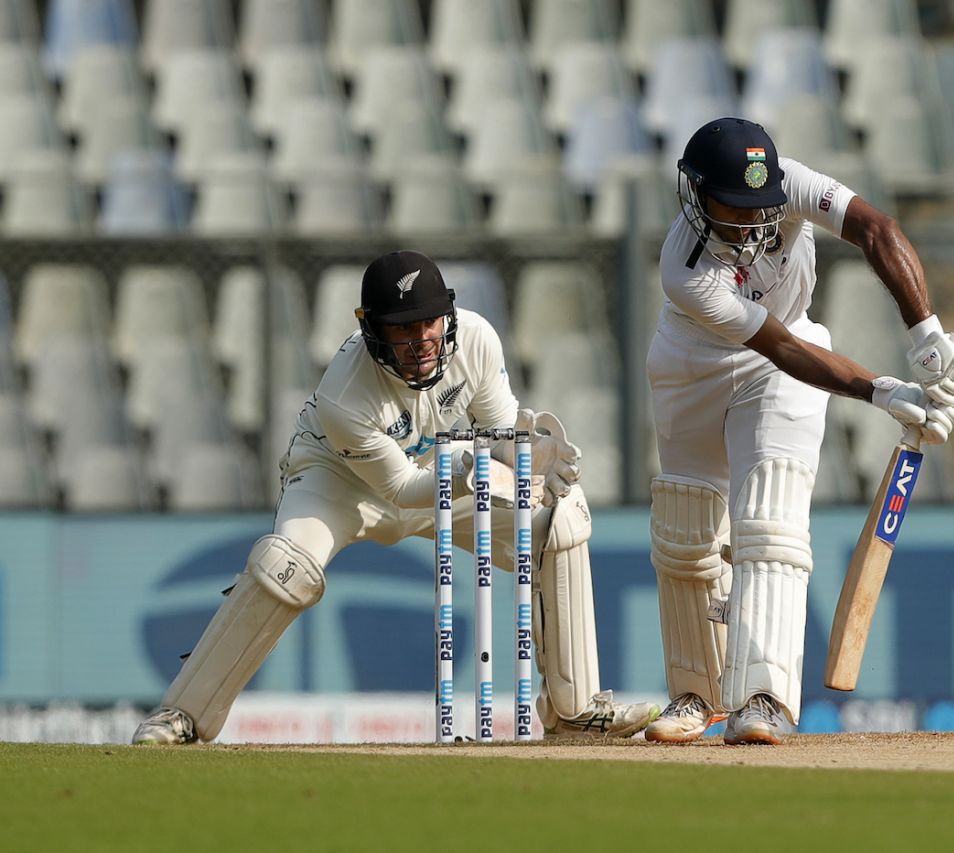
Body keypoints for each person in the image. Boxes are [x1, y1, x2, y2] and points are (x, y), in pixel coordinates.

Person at [133, 250, 659, 744]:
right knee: (284, 567)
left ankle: (576, 710)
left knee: (559, 522)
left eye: (429, 321)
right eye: (404, 328)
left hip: (442, 471)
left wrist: (526, 455)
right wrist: (472, 467)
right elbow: (401, 492)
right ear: (373, 330)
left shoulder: (476, 338)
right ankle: (184, 714)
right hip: (338, 482)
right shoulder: (346, 393)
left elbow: (497, 430)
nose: (422, 339)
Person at [644, 118, 954, 745]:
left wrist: (926, 337)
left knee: (771, 523)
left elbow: (876, 229)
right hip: (697, 364)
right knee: (688, 532)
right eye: (731, 209)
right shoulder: (684, 270)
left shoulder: (790, 183)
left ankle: (761, 699)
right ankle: (694, 695)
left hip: (784, 361)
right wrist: (884, 390)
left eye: (757, 207)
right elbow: (782, 348)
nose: (749, 224)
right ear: (695, 195)